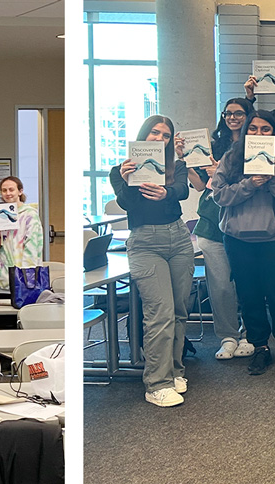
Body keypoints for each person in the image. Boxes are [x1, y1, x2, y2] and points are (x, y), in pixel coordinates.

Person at [215, 110, 275, 376]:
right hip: (239, 239)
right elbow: (219, 196)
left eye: (266, 129)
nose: (259, 133)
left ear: (274, 134)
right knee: (249, 295)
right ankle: (260, 348)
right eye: (253, 128)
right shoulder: (231, 158)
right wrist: (250, 183)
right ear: (246, 131)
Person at [113, 115, 194, 406]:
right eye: (154, 133)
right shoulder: (120, 170)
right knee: (160, 312)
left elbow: (183, 191)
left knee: (179, 310)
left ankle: (174, 371)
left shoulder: (178, 167)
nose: (159, 139)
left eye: (166, 135)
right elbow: (128, 204)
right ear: (143, 136)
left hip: (179, 239)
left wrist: (166, 192)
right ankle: (156, 383)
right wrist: (126, 181)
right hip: (145, 243)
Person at [198, 98, 253, 359]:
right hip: (212, 222)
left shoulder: (257, 146)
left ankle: (250, 333)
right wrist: (185, 160)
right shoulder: (212, 145)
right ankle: (228, 336)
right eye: (228, 113)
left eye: (239, 113)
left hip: (246, 221)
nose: (233, 117)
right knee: (220, 286)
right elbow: (199, 186)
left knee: (247, 282)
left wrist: (221, 171)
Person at [0, 177, 45, 276]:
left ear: (20, 191)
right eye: (4, 190)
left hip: (24, 272)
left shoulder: (29, 215)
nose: (8, 193)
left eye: (11, 189)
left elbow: (33, 246)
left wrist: (25, 273)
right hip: (2, 273)